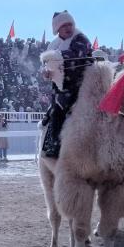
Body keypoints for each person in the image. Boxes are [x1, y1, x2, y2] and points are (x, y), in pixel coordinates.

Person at [41, 10, 93, 158]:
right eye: (64, 25)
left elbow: (76, 56)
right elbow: (47, 66)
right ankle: (54, 145)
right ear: (57, 28)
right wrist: (46, 72)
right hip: (60, 89)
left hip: (82, 84)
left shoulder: (81, 39)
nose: (68, 27)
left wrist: (55, 57)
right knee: (56, 113)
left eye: (70, 24)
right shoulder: (53, 45)